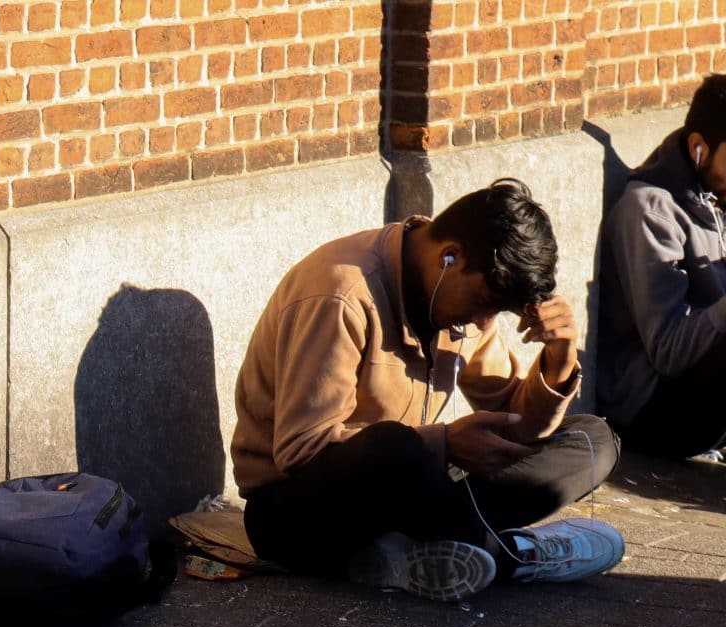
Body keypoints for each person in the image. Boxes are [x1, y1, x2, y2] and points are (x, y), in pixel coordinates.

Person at [232, 178, 624, 601]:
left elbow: (516, 422)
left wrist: (560, 358)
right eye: (483, 301)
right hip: (295, 513)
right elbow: (301, 450)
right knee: (394, 448)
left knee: (593, 440)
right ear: (449, 256)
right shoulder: (340, 294)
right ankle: (513, 555)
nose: (480, 322)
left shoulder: (466, 304)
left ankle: (419, 550)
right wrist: (446, 445)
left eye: (495, 311)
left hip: (414, 487)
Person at [597, 74, 726, 460]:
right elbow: (668, 351)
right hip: (650, 410)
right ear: (699, 148)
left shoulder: (718, 190)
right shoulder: (649, 210)